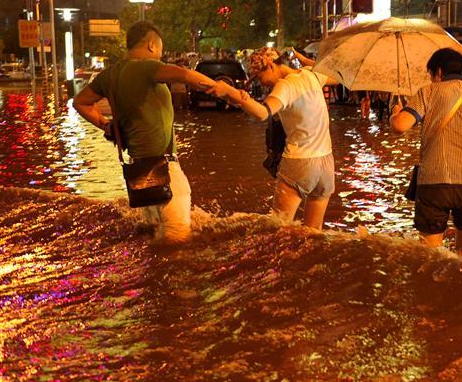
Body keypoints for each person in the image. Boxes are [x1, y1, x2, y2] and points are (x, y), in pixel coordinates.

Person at [72, 21, 219, 244]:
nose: (160, 53)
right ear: (151, 44)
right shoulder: (147, 66)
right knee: (178, 242)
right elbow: (185, 75)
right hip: (165, 170)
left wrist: (107, 126)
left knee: (155, 238)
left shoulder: (110, 75)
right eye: (160, 48)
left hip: (140, 176)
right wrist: (225, 90)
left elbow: (80, 102)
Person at [210, 47, 339, 230]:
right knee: (314, 233)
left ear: (270, 65)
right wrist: (303, 59)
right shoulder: (311, 74)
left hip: (300, 162)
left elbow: (263, 113)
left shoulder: (285, 85)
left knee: (278, 230)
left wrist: (229, 92)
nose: (261, 83)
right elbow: (337, 77)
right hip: (326, 164)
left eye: (258, 77)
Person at [389, 48, 462, 256]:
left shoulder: (428, 92)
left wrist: (396, 113)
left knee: (430, 251)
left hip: (434, 181)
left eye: (431, 74)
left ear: (438, 72)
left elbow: (401, 126)